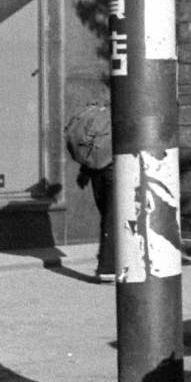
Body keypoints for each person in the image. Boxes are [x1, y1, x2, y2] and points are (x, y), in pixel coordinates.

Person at [64, 102, 114, 281]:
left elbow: (96, 146)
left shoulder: (102, 116)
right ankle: (108, 267)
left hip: (96, 171)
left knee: (108, 217)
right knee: (113, 218)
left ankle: (108, 262)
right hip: (114, 171)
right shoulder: (122, 116)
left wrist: (84, 172)